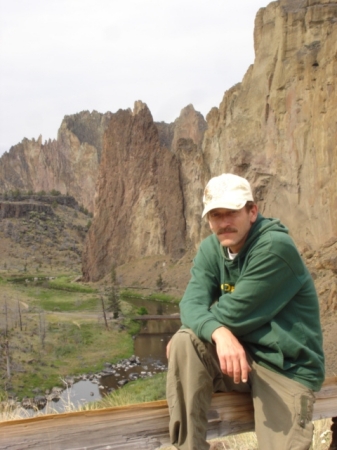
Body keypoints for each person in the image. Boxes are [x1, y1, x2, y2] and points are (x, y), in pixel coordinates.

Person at [166, 173, 325, 450]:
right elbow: (190, 304)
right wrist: (219, 333)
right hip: (239, 358)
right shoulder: (211, 249)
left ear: (253, 212)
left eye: (232, 213)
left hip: (285, 366)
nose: (224, 223)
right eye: (216, 215)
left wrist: (216, 328)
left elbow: (232, 313)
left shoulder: (274, 247)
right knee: (184, 342)